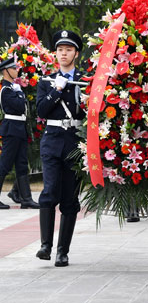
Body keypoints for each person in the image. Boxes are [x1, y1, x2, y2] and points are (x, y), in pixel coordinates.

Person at [35, 30, 86, 267]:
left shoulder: (85, 81)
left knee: (69, 198)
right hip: (52, 140)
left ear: (76, 53)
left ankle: (62, 251)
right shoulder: (45, 81)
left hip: (75, 142)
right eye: (59, 50)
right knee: (49, 192)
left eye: (68, 49)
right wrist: (56, 90)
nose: (63, 54)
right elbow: (41, 112)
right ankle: (45, 245)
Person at [0, 58, 39, 209]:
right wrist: (21, 95)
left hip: (19, 128)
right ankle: (24, 197)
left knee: (22, 163)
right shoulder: (6, 90)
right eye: (13, 68)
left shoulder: (14, 89)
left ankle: (26, 198)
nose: (17, 70)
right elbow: (18, 106)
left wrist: (20, 94)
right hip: (12, 128)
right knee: (5, 164)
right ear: (6, 71)